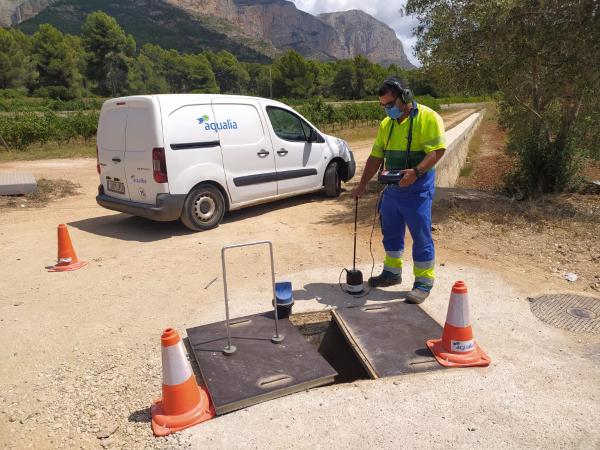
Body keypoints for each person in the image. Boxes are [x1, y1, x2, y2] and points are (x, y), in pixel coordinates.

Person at [352, 77, 446, 304]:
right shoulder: (387, 125)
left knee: (420, 235)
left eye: (390, 104)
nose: (387, 110)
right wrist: (363, 184)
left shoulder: (428, 118)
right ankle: (392, 273)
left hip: (418, 190)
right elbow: (376, 156)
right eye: (383, 106)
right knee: (391, 233)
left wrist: (415, 171)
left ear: (405, 98)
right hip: (392, 191)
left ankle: (423, 281)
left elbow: (437, 151)